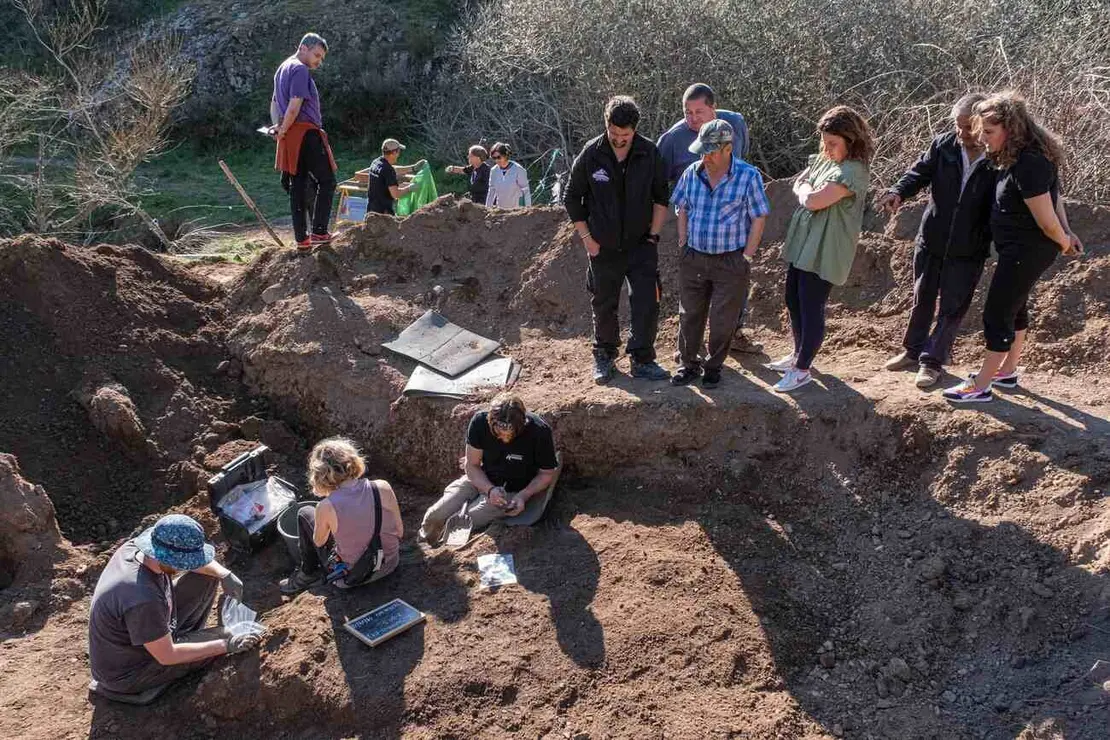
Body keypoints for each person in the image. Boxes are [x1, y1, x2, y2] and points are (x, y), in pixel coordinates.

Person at [943, 92, 1083, 403]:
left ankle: (980, 385)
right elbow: (1055, 196)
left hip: (1027, 250)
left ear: (1011, 128)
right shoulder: (1015, 155)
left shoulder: (1030, 162)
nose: (982, 138)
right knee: (1015, 306)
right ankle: (1006, 372)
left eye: (989, 131)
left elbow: (1046, 219)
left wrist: (1064, 241)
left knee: (997, 312)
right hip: (1017, 249)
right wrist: (1068, 232)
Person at [878, 93, 996, 388]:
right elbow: (918, 173)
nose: (961, 132)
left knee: (952, 307)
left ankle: (932, 362)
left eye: (968, 127)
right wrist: (898, 191)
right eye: (958, 125)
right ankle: (912, 350)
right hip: (932, 238)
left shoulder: (998, 156)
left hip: (970, 247)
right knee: (923, 298)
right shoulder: (943, 145)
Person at [87, 515, 260, 698]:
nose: (188, 566)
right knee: (227, 635)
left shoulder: (135, 550)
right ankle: (182, 642)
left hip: (145, 633)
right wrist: (226, 645)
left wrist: (224, 574)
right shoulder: (142, 598)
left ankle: (181, 636)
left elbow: (202, 566)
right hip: (128, 673)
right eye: (185, 562)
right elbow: (167, 655)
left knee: (209, 575)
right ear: (168, 559)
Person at [564, 95, 671, 384]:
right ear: (606, 123)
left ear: (635, 129)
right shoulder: (591, 154)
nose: (619, 139)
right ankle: (604, 356)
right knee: (603, 302)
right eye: (614, 133)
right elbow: (572, 198)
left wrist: (654, 235)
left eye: (625, 135)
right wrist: (587, 239)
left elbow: (661, 196)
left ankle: (642, 358)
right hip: (602, 246)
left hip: (641, 244)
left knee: (647, 302)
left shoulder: (649, 153)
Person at [770, 106, 875, 393]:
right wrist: (805, 190)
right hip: (806, 242)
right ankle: (798, 354)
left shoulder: (854, 170)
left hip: (827, 247)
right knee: (793, 298)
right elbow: (800, 183)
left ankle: (802, 369)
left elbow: (812, 200)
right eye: (824, 142)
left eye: (833, 144)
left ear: (851, 141)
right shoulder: (826, 160)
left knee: (810, 304)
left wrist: (805, 192)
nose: (827, 149)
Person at [669, 119, 770, 388]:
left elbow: (759, 217)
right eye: (702, 151)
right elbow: (681, 207)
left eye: (711, 152)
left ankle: (713, 367)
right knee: (689, 314)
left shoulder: (748, 176)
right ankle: (688, 364)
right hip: (694, 257)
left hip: (731, 260)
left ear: (728, 148)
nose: (706, 158)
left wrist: (747, 256)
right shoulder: (691, 173)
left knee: (723, 319)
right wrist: (683, 242)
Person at [657, 83, 758, 353]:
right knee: (695, 291)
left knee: (734, 285)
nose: (692, 119)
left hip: (734, 227)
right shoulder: (672, 139)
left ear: (713, 108)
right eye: (687, 112)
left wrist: (749, 250)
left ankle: (734, 334)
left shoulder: (735, 124)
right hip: (696, 229)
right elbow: (658, 182)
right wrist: (680, 235)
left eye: (698, 112)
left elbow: (741, 163)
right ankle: (691, 345)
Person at [419, 394, 558, 546]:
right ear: (490, 421)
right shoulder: (480, 423)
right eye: (499, 433)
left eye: (511, 434)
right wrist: (489, 489)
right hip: (480, 478)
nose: (504, 438)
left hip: (512, 490)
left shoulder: (539, 432)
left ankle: (444, 549)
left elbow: (546, 474)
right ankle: (424, 543)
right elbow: (472, 465)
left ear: (522, 424)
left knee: (466, 520)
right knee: (436, 515)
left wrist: (523, 496)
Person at [280, 438, 403, 595]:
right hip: (390, 563)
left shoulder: (326, 506)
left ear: (320, 474)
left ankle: (307, 573)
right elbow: (399, 531)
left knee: (304, 513)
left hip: (352, 578)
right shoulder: (382, 486)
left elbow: (319, 542)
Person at [272, 32, 338, 250]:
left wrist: (279, 128)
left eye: (321, 57)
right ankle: (319, 231)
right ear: (303, 48)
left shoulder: (282, 68)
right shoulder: (300, 69)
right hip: (305, 133)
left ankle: (302, 239)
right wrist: (283, 129)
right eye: (317, 55)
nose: (319, 61)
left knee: (297, 185)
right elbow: (295, 104)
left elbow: (275, 103)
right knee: (327, 181)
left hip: (291, 134)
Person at [367, 138, 427, 216]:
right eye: (398, 151)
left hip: (371, 210)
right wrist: (409, 188)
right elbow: (395, 194)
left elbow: (392, 170)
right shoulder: (388, 170)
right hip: (383, 214)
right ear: (394, 152)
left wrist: (413, 168)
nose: (399, 154)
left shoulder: (376, 162)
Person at [485, 142, 532, 209]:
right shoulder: (494, 171)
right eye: (494, 158)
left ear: (505, 155)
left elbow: (526, 190)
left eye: (499, 157)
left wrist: (528, 208)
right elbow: (491, 191)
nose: (497, 160)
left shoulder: (518, 169)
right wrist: (487, 208)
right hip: (501, 210)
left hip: (517, 209)